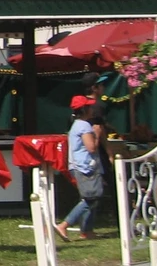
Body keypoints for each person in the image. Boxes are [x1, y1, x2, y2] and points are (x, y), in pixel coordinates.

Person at [56, 95, 104, 241]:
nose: (92, 109)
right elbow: (91, 147)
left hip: (79, 166)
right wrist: (97, 134)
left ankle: (87, 231)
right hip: (85, 167)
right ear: (84, 109)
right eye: (89, 106)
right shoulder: (84, 126)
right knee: (91, 198)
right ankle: (64, 225)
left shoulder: (76, 125)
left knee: (90, 198)